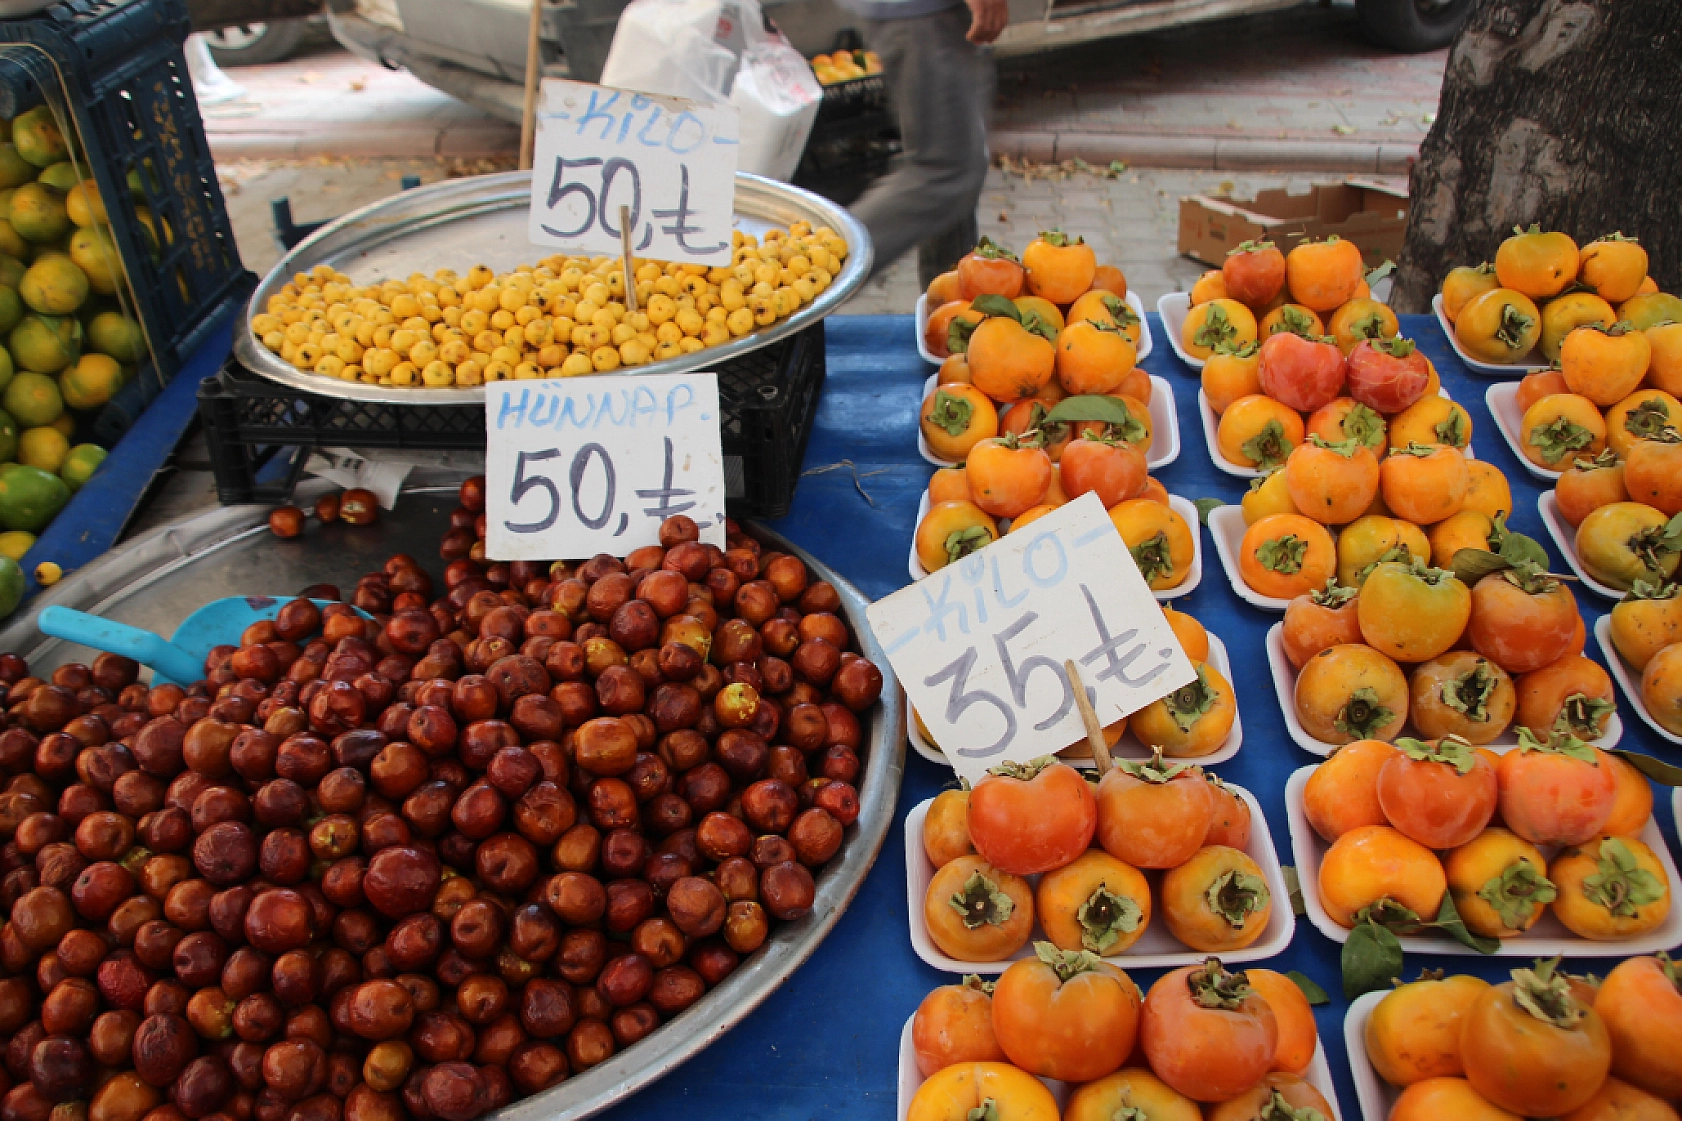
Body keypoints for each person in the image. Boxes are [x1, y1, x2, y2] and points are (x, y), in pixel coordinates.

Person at [841, 0, 1006, 287]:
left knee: (956, 163)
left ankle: (951, 309)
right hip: (922, 13)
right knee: (944, 173)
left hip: (929, 12)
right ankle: (813, 270)